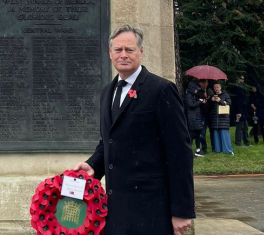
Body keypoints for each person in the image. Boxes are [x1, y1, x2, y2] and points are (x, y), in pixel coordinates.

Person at [74, 25, 195, 235]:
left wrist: (182, 210)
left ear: (140, 52)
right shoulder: (107, 92)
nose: (123, 55)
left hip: (151, 210)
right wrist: (93, 165)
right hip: (115, 210)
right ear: (110, 53)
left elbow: (179, 153)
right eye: (118, 50)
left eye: (129, 50)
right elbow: (109, 140)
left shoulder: (161, 90)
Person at [209, 82, 233, 154]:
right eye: (215, 87)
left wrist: (220, 101)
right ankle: (217, 150)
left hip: (223, 118)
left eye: (217, 87)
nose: (216, 89)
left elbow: (229, 103)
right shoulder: (212, 96)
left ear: (220, 88)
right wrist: (211, 100)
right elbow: (209, 107)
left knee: (224, 134)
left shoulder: (225, 95)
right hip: (215, 119)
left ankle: (227, 150)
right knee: (216, 135)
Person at [185, 81, 206, 157]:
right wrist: (199, 102)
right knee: (191, 136)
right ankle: (189, 152)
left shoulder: (193, 96)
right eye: (195, 89)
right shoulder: (188, 96)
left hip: (196, 118)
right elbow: (191, 105)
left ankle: (198, 150)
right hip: (192, 119)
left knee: (198, 135)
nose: (196, 91)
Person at [230, 76, 251, 147]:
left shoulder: (241, 89)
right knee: (239, 127)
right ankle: (238, 142)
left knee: (245, 127)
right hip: (240, 111)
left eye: (243, 79)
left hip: (243, 111)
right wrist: (238, 112)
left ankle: (245, 141)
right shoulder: (237, 90)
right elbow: (237, 102)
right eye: (241, 79)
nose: (243, 80)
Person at [197, 78, 213, 153]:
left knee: (212, 131)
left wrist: (209, 98)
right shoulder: (199, 92)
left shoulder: (210, 91)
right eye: (202, 82)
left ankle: (214, 147)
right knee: (202, 132)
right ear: (200, 83)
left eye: (205, 82)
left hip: (210, 114)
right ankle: (204, 148)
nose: (204, 84)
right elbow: (198, 103)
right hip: (203, 113)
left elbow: (212, 103)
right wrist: (203, 97)